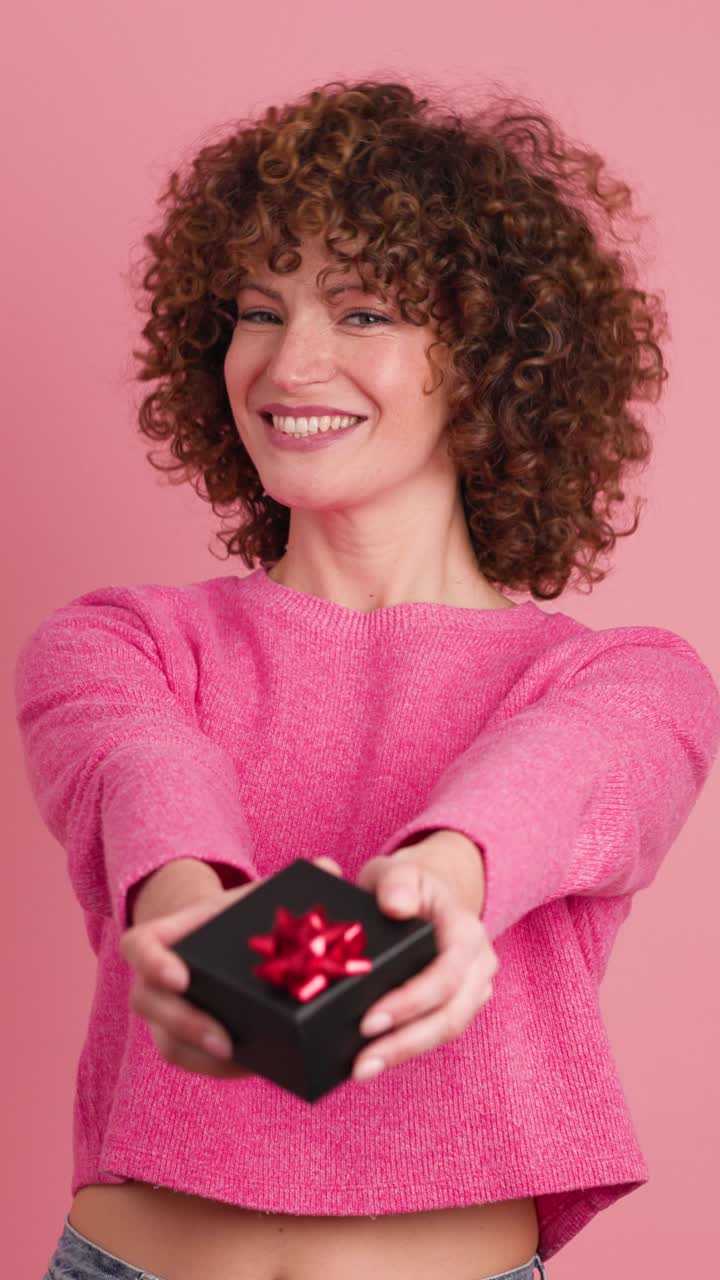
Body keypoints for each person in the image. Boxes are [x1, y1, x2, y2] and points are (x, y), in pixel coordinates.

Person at [17, 77, 720, 1280]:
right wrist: (188, 915)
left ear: (488, 360)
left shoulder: (625, 680)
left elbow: (564, 776)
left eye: (364, 310)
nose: (292, 362)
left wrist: (444, 878)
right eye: (256, 309)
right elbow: (144, 777)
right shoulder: (116, 640)